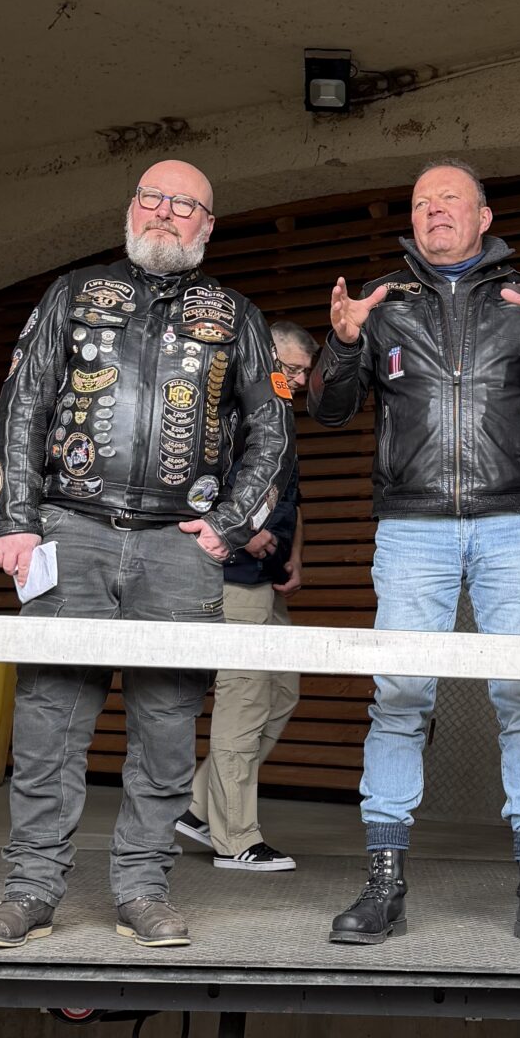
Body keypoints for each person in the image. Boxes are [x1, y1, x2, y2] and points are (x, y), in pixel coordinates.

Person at [0, 160, 291, 951]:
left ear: (207, 225)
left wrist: (226, 524)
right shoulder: (73, 292)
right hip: (70, 530)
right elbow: (22, 402)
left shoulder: (239, 316)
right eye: (153, 198)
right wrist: (15, 518)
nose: (165, 213)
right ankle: (30, 889)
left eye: (185, 204)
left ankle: (143, 889)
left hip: (180, 547)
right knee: (48, 720)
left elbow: (272, 431)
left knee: (167, 728)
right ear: (130, 209)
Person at [309, 160, 520, 949]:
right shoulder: (381, 302)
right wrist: (343, 343)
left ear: (484, 217)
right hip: (413, 527)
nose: (434, 210)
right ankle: (383, 885)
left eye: (449, 199)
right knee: (400, 696)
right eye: (421, 203)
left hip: (513, 524)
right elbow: (331, 410)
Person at [177, 319, 317, 872]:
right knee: (246, 701)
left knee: (282, 693)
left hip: (268, 581)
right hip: (231, 577)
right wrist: (240, 529)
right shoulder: (222, 410)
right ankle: (235, 838)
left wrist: (295, 553)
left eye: (304, 373)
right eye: (292, 369)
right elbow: (189, 487)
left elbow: (290, 497)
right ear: (266, 358)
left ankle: (197, 807)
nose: (299, 381)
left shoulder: (278, 418)